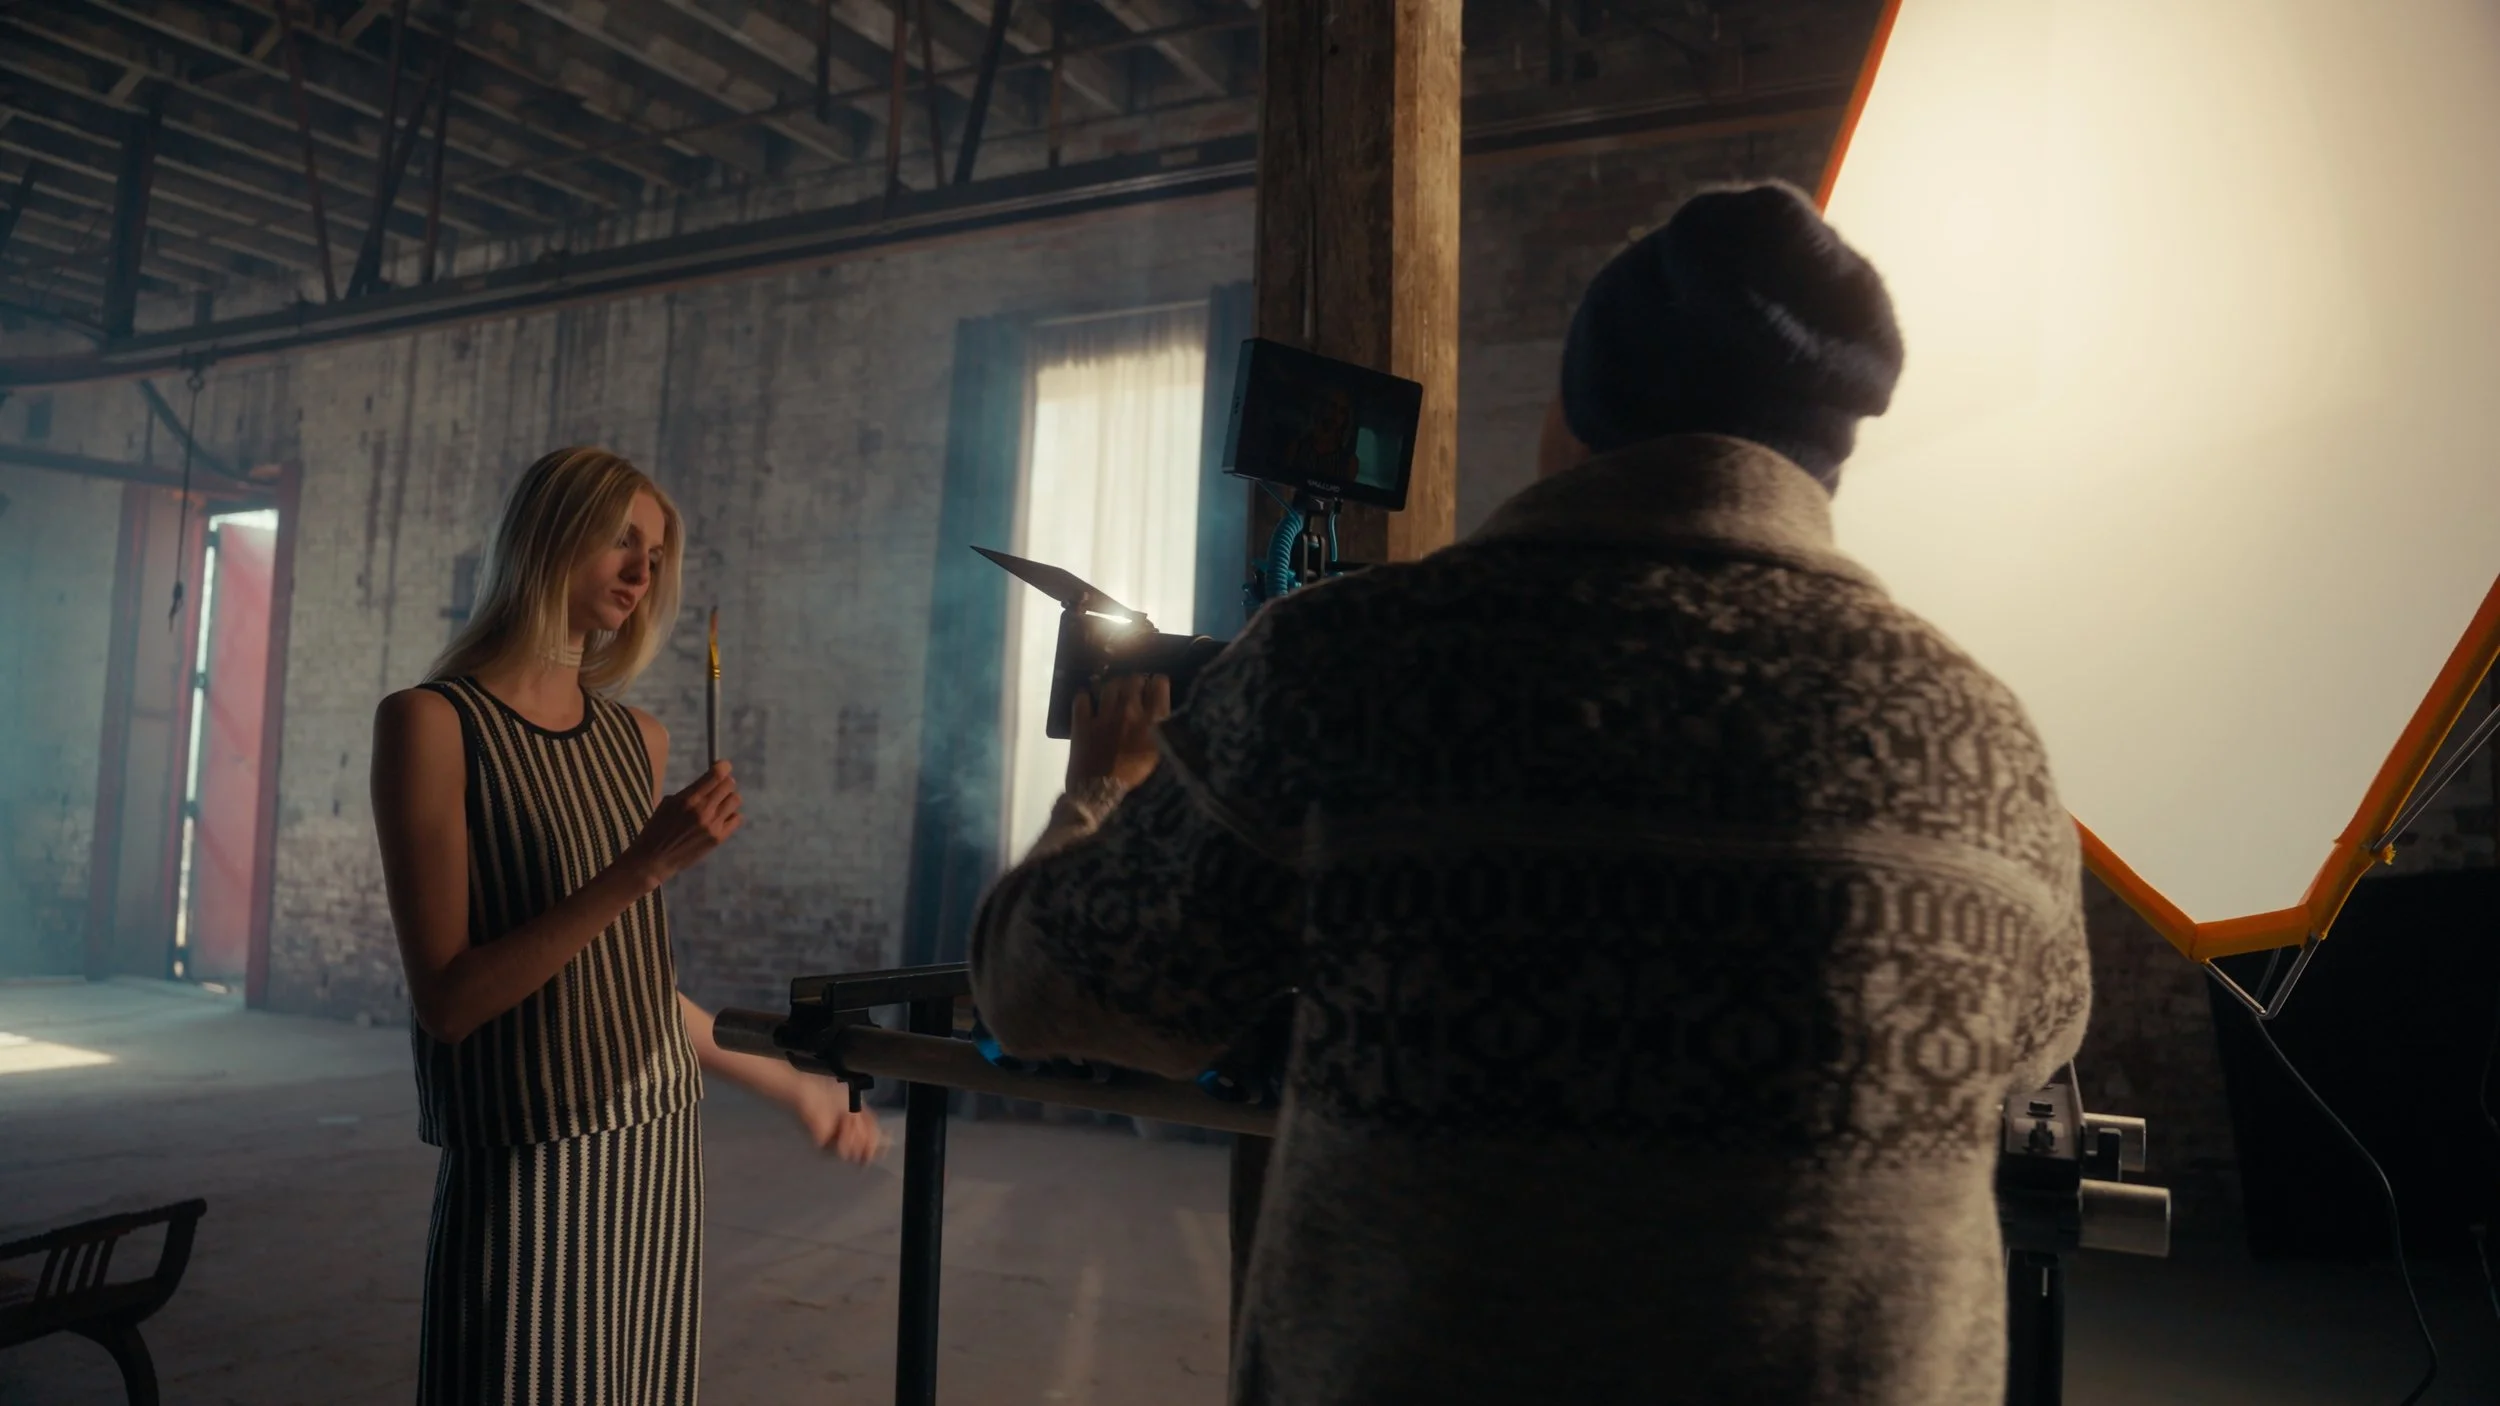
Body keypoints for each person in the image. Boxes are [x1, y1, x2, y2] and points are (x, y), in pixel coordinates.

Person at [965, 181, 2093, 1406]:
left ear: (1572, 410)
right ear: (1833, 449)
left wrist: (1104, 789)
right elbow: (2037, 1041)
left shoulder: (1350, 664)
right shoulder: (1986, 740)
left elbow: (1042, 988)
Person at [370, 446, 886, 1406]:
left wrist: (795, 1088)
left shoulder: (634, 740)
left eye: (654, 550)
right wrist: (644, 864)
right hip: (525, 1153)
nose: (644, 571)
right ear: (544, 536)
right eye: (619, 539)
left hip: (651, 1146)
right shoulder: (431, 724)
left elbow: (625, 985)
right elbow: (450, 1000)